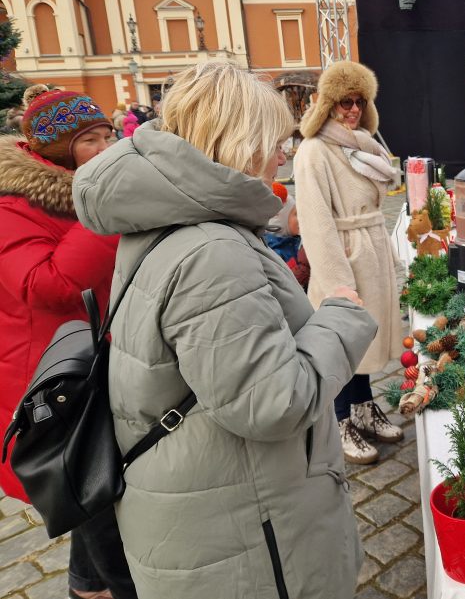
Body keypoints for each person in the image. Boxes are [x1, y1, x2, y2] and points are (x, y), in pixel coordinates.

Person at [73, 62, 377, 599]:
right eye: (276, 139)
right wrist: (341, 315)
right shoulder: (212, 249)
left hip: (207, 511)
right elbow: (273, 402)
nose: (283, 152)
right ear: (240, 141)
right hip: (249, 540)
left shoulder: (171, 219)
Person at [0, 86, 138, 599]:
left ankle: (86, 586)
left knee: (92, 488)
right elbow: (49, 285)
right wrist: (105, 212)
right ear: (56, 151)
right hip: (53, 382)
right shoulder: (14, 203)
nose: (106, 148)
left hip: (93, 364)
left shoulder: (81, 190)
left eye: (108, 136)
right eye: (89, 140)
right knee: (91, 490)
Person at [294, 60, 402, 466]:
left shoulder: (363, 145)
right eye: (343, 102)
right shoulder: (314, 151)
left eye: (359, 101)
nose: (352, 110)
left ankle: (363, 407)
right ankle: (340, 420)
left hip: (370, 250)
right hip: (342, 258)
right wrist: (338, 282)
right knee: (341, 345)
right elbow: (316, 223)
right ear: (327, 104)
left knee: (365, 345)